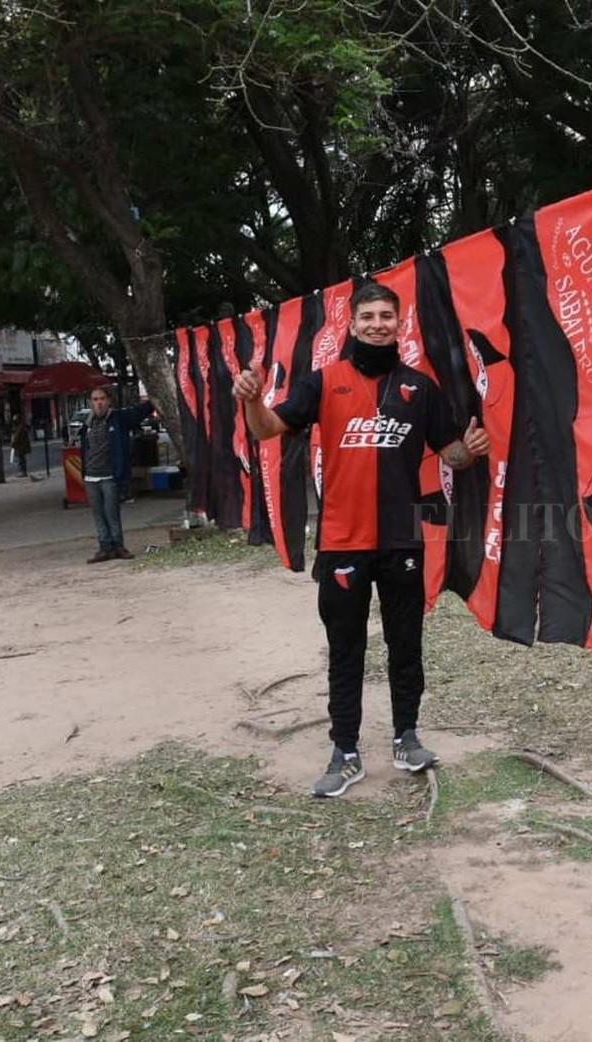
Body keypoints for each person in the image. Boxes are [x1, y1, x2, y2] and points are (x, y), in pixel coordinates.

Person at [232, 282, 491, 798]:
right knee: (345, 651)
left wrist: (471, 449)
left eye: (386, 316)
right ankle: (345, 751)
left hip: (402, 542)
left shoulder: (421, 388)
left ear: (400, 325)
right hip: (343, 542)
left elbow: (451, 457)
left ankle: (406, 737)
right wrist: (251, 402)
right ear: (350, 325)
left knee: (406, 648)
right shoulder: (323, 382)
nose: (377, 324)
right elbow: (266, 430)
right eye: (368, 316)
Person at [80, 386, 153, 563]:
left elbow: (139, 412)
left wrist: (154, 399)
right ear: (91, 402)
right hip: (91, 476)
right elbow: (85, 448)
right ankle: (105, 547)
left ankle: (118, 546)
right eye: (95, 399)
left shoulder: (118, 419)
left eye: (102, 398)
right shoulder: (87, 424)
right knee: (98, 514)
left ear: (109, 400)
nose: (99, 402)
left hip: (109, 476)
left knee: (112, 513)